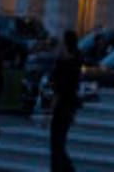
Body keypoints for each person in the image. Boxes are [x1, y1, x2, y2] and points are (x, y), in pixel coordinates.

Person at [50, 29, 82, 172]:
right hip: (69, 107)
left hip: (62, 107)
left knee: (56, 144)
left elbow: (58, 89)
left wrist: (49, 111)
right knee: (58, 144)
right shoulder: (75, 60)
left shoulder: (63, 64)